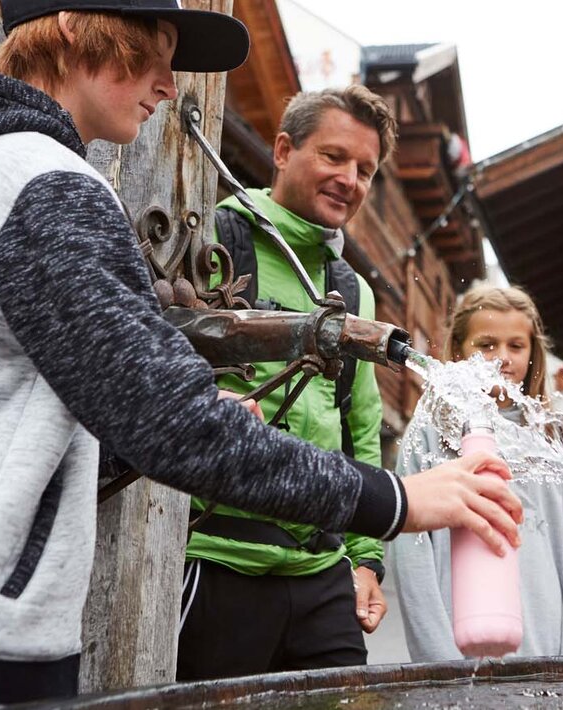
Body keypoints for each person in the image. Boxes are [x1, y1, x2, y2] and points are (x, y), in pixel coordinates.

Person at [0, 2, 520, 706]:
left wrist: (150, 429)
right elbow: (173, 427)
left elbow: (16, 419)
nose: (167, 81)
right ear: (69, 23)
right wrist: (395, 498)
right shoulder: (45, 186)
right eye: (150, 49)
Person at [178, 86, 397, 678]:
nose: (349, 179)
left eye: (365, 170)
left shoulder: (352, 289)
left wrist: (366, 560)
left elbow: (360, 430)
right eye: (333, 156)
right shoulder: (219, 239)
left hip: (321, 571)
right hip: (218, 559)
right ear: (282, 150)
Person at [390, 284, 563, 660]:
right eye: (486, 345)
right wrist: (439, 663)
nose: (502, 357)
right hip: (456, 651)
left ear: (533, 354)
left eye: (516, 346)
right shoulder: (428, 435)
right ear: (458, 351)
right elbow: (412, 558)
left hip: (544, 652)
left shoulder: (552, 439)